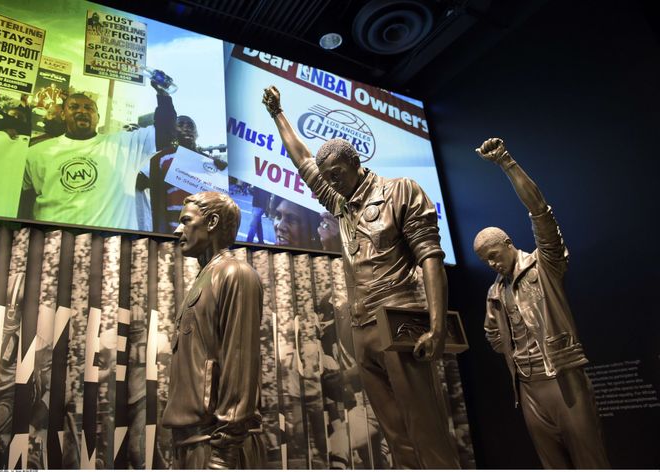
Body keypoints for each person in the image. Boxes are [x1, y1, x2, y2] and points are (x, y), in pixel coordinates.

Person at [262, 86, 460, 468]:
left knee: (426, 430)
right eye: (328, 177)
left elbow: (431, 258)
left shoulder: (399, 191)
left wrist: (436, 326)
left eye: (337, 174)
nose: (332, 182)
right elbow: (303, 159)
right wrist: (278, 114)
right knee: (395, 436)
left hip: (400, 320)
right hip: (361, 328)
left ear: (355, 164)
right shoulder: (340, 205)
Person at [474, 137, 610, 469]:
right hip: (527, 386)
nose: (491, 265)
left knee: (590, 460)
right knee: (552, 465)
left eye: (493, 256)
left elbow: (541, 213)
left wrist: (506, 161)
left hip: (561, 376)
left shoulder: (544, 265)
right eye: (485, 262)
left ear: (508, 244)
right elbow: (492, 335)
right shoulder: (495, 292)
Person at [162, 191, 266, 469]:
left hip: (217, 446)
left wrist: (223, 453)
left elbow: (240, 364)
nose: (177, 229)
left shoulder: (235, 274)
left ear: (212, 222)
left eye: (186, 220)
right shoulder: (206, 278)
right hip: (194, 443)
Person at [22, 79, 174, 230]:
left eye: (89, 108)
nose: (82, 111)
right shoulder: (37, 153)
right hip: (54, 244)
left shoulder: (124, 145)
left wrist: (163, 95)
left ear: (98, 117)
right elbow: (20, 198)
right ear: (63, 114)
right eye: (74, 107)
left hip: (109, 247)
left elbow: (165, 133)